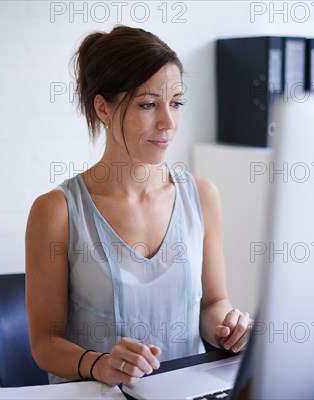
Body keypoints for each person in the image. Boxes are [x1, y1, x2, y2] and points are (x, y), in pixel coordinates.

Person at [25, 25, 252, 387]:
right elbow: (44, 343)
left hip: (186, 391)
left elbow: (213, 303)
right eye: (148, 105)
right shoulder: (56, 212)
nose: (168, 122)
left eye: (176, 103)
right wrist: (99, 364)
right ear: (103, 108)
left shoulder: (202, 196)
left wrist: (229, 327)